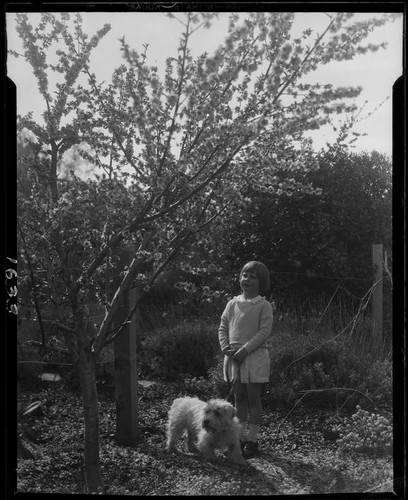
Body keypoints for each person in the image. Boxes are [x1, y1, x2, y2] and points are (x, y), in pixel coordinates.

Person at [218, 261, 273, 459]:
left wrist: (245, 349)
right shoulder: (232, 304)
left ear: (261, 282)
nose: (246, 279)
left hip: (254, 357)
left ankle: (252, 440)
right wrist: (225, 346)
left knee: (252, 399)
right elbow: (223, 326)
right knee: (238, 398)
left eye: (252, 276)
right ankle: (238, 439)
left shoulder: (263, 305)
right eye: (244, 275)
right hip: (233, 358)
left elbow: (264, 331)